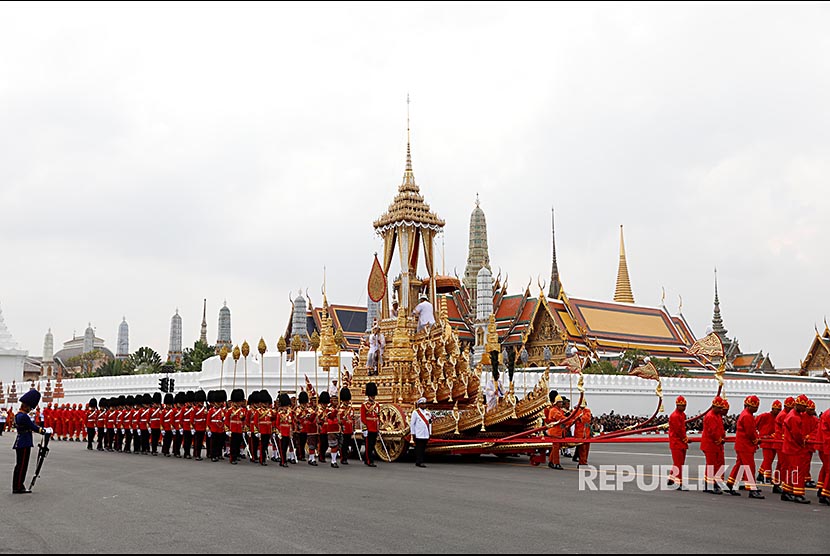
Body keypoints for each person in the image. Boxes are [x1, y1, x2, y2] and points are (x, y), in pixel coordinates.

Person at [12, 389, 52, 494]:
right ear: (26, 406)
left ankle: (17, 485)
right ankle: (19, 486)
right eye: (30, 407)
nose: (30, 409)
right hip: (24, 442)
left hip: (21, 441)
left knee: (19, 465)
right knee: (22, 465)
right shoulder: (23, 416)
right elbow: (33, 427)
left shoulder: (19, 415)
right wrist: (43, 431)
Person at [725, 395, 764, 498]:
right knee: (750, 467)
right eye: (755, 407)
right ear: (750, 406)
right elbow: (750, 432)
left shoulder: (746, 414)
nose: (756, 409)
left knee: (739, 465)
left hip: (742, 445)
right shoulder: (747, 416)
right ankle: (752, 489)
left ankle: (730, 483)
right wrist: (756, 440)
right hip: (745, 446)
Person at [781, 395, 811, 504]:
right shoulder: (795, 417)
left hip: (789, 447)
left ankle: (787, 491)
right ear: (798, 405)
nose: (805, 409)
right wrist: (802, 442)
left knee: (791, 470)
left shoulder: (792, 415)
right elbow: (797, 435)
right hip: (794, 448)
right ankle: (798, 493)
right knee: (798, 471)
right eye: (804, 407)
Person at [701, 396, 728, 495]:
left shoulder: (717, 415)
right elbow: (713, 432)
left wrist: (722, 437)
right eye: (720, 408)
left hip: (715, 444)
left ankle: (713, 483)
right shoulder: (711, 416)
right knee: (711, 465)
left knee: (716, 465)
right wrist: (719, 439)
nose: (721, 410)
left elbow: (720, 429)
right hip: (710, 444)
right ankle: (709, 485)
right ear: (714, 407)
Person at [756, 400, 781, 484]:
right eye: (776, 409)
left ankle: (760, 473)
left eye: (779, 410)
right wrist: (760, 434)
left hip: (774, 441)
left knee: (769, 460)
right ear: (772, 409)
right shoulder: (764, 416)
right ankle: (767, 477)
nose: (778, 411)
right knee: (768, 460)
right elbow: (755, 424)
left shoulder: (779, 417)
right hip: (766, 441)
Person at [668, 396, 689, 490]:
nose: (684, 407)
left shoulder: (682, 415)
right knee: (678, 464)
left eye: (685, 405)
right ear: (677, 405)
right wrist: (685, 438)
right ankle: (677, 483)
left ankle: (672, 479)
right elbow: (678, 431)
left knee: (679, 463)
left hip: (681, 442)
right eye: (682, 406)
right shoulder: (675, 416)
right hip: (676, 442)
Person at [361, 382, 380, 466]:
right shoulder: (364, 405)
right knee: (368, 445)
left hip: (374, 427)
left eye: (374, 396)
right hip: (368, 427)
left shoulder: (377, 405)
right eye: (372, 396)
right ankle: (369, 461)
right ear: (369, 396)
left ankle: (366, 458)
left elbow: (378, 417)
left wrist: (378, 428)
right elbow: (363, 417)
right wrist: (365, 429)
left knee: (372, 445)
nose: (373, 397)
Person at [545, 393, 566, 469]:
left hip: (559, 432)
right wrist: (571, 419)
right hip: (555, 432)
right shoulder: (553, 410)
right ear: (556, 403)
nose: (561, 403)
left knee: (555, 448)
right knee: (556, 449)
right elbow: (561, 419)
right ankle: (556, 463)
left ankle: (551, 461)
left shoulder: (560, 410)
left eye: (561, 402)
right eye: (559, 402)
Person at [409, 397, 432, 467]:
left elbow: (430, 423)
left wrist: (430, 432)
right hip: (419, 433)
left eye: (425, 404)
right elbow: (412, 423)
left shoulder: (428, 413)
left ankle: (420, 461)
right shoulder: (415, 412)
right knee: (419, 448)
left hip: (426, 433)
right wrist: (413, 433)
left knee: (423, 448)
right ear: (419, 405)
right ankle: (419, 461)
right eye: (422, 404)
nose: (424, 405)